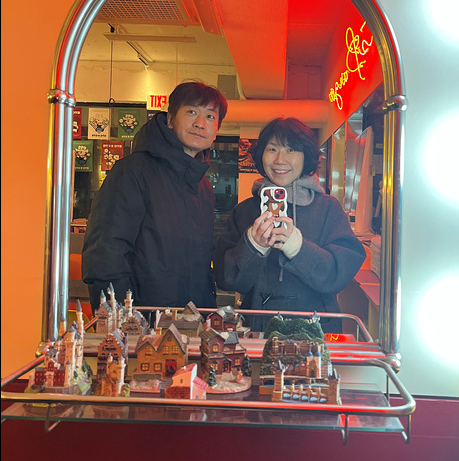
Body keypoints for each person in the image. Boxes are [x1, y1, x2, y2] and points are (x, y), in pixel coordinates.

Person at [82, 81, 228, 314]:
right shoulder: (132, 172)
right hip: (143, 322)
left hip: (192, 322)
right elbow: (105, 254)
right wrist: (121, 320)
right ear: (170, 119)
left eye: (210, 116)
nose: (200, 123)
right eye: (191, 112)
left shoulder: (203, 187)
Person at [213, 117, 366, 333]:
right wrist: (252, 247)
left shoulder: (328, 208)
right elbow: (226, 280)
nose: (280, 160)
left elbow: (339, 275)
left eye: (291, 150)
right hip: (259, 328)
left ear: (306, 157)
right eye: (272, 149)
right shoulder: (244, 211)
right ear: (261, 155)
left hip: (315, 331)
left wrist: (299, 249)